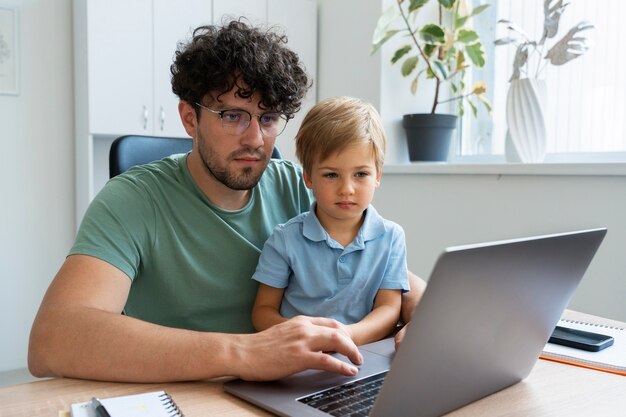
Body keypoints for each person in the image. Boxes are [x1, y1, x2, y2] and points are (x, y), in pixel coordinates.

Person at [28, 20, 425, 383]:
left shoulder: (297, 186)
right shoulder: (133, 200)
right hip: (186, 397)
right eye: (233, 116)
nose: (255, 139)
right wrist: (244, 351)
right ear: (190, 118)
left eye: (268, 118)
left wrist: (425, 319)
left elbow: (387, 270)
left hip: (288, 389)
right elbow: (52, 340)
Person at [252, 96, 409, 346]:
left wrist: (346, 337)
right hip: (298, 356)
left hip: (362, 353)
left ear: (377, 176)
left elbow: (389, 309)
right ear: (309, 178)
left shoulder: (391, 237)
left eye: (361, 174)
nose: (346, 189)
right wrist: (305, 336)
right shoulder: (285, 238)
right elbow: (262, 312)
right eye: (331, 175)